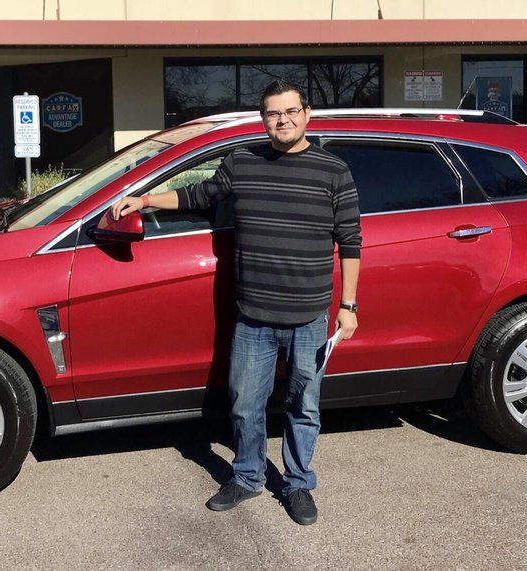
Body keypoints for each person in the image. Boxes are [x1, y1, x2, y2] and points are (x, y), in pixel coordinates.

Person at [110, 79, 361, 525]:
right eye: (273, 113)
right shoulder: (241, 162)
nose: (282, 120)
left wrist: (349, 305)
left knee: (304, 406)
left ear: (306, 114)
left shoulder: (333, 171)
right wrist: (144, 199)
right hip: (253, 317)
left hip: (308, 316)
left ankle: (298, 483)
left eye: (290, 111)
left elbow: (351, 241)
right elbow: (198, 194)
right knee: (245, 403)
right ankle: (247, 476)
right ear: (263, 119)